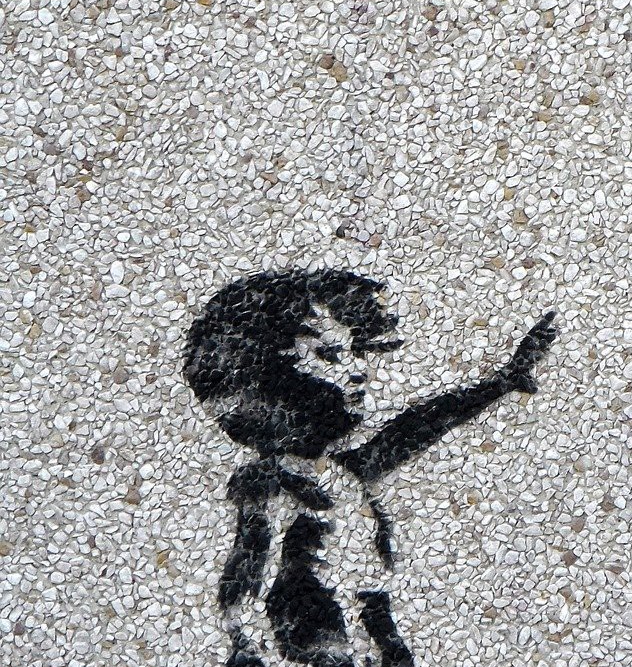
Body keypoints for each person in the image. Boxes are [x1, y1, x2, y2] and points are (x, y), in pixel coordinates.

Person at [184, 269, 557, 666]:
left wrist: (502, 381)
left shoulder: (339, 470)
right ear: (275, 376)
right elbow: (248, 584)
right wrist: (254, 650)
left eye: (355, 350)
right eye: (329, 355)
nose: (355, 369)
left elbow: (414, 427)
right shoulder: (278, 481)